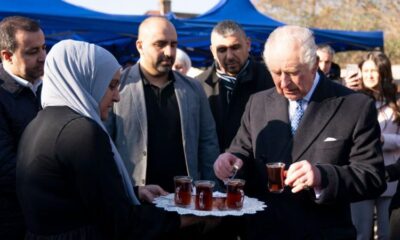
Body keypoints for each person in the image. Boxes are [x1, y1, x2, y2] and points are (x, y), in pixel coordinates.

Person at [16, 39, 202, 240]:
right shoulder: (81, 133)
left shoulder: (40, 121)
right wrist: (186, 217)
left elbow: (73, 194)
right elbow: (118, 220)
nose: (116, 97)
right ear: (87, 80)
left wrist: (135, 191)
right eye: (111, 85)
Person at [213, 25, 386, 239]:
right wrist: (231, 160)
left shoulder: (354, 106)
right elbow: (243, 150)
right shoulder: (258, 103)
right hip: (264, 232)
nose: (284, 83)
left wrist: (322, 176)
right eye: (276, 73)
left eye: (293, 73)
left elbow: (372, 177)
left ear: (314, 66)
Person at [107, 16, 219, 197]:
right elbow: (105, 147)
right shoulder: (119, 87)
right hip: (136, 202)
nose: (169, 52)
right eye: (160, 44)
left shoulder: (193, 89)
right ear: (140, 46)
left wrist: (211, 196)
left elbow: (208, 144)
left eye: (173, 44)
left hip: (184, 203)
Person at [195, 20, 274, 153]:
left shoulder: (270, 79)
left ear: (248, 45)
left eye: (235, 47)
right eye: (222, 50)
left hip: (258, 168)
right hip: (214, 168)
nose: (229, 56)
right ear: (213, 51)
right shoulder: (198, 86)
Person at [0, 16, 46, 239]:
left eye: (44, 48)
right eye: (32, 51)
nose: (42, 57)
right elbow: (6, 167)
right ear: (7, 56)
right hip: (12, 221)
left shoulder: (48, 89)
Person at [350, 51, 400, 240]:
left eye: (375, 71)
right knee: (361, 232)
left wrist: (385, 139)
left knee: (387, 233)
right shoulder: (352, 100)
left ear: (384, 73)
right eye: (366, 70)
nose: (369, 75)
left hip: (390, 175)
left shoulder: (396, 102)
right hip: (361, 175)